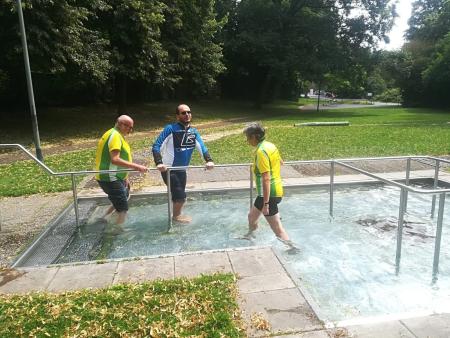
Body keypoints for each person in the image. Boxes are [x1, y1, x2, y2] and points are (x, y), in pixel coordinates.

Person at [152, 104, 214, 223]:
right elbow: (156, 146)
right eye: (183, 113)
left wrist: (209, 160)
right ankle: (176, 217)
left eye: (188, 112)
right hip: (169, 169)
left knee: (178, 195)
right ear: (177, 116)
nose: (187, 115)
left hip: (182, 170)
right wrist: (159, 162)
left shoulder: (193, 131)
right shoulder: (170, 129)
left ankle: (174, 216)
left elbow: (202, 147)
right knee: (180, 196)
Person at [243, 122, 295, 248]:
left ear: (254, 136)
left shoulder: (261, 152)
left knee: (277, 228)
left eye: (248, 138)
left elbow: (266, 178)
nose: (247, 141)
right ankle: (250, 236)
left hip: (268, 194)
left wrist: (266, 204)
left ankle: (293, 248)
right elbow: (281, 161)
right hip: (273, 191)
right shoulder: (270, 146)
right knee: (252, 217)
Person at [95, 115, 148, 224]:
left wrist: (125, 177)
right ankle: (118, 234)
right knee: (122, 208)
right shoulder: (115, 136)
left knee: (121, 199)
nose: (131, 130)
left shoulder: (114, 134)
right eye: (129, 127)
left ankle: (103, 218)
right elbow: (115, 159)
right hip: (111, 178)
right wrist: (137, 167)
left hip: (114, 177)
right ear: (121, 124)